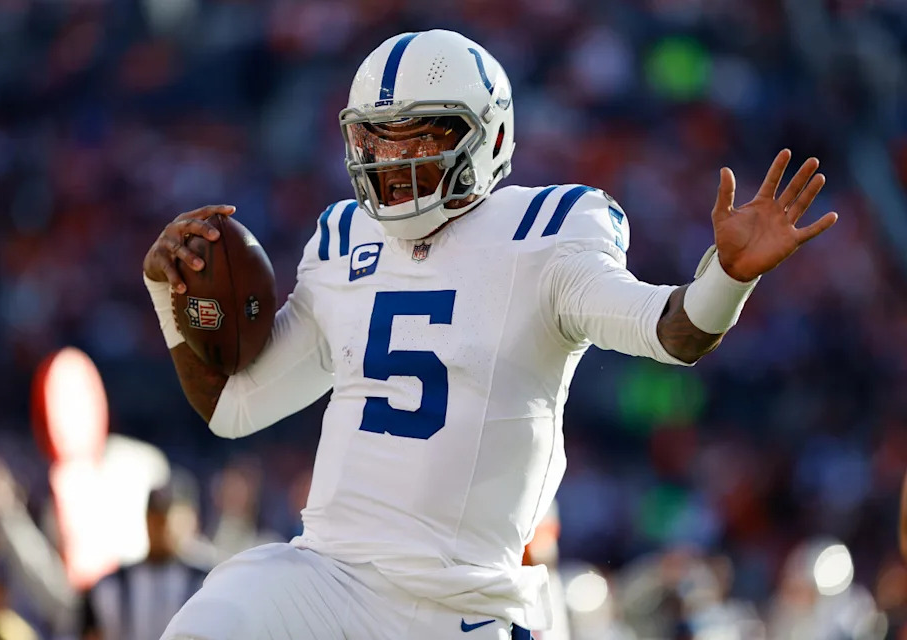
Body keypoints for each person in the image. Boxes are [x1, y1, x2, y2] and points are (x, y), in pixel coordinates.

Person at [143, 29, 837, 640]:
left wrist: (727, 279)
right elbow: (234, 409)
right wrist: (165, 295)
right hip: (329, 574)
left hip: (463, 606)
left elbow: (672, 332)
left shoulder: (546, 235)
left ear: (490, 136)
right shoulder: (341, 240)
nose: (393, 156)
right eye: (377, 136)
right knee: (217, 616)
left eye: (422, 134)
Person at [80, 485, 207, 640]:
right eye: (156, 519)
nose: (163, 527)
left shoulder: (206, 585)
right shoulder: (109, 587)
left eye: (171, 518)